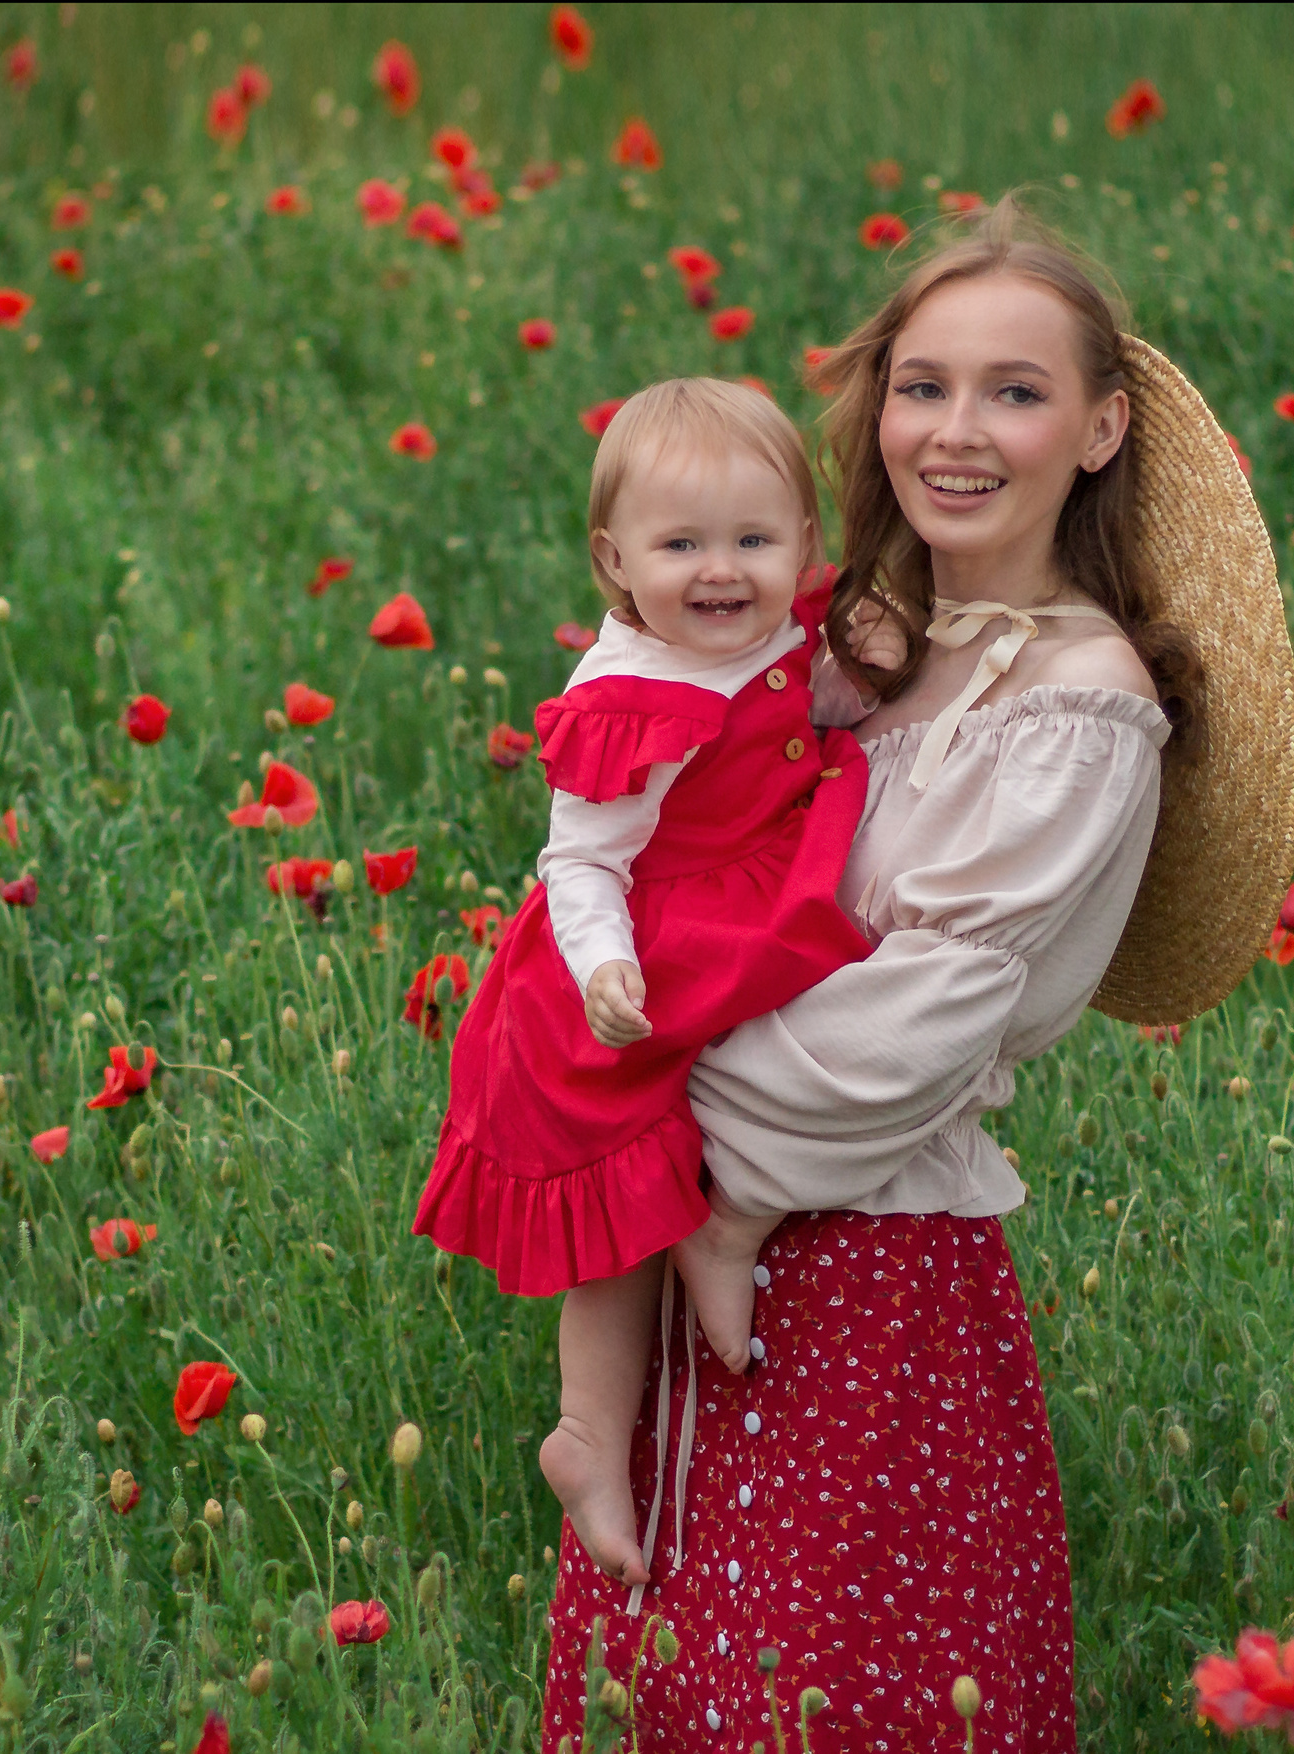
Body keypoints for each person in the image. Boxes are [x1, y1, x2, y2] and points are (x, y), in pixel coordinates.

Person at [539, 197, 1294, 1750]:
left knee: (831, 1696)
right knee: (680, 1686)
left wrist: (690, 1163)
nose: (957, 430)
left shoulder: (1081, 705)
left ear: (1097, 431)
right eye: (923, 384)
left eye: (1014, 392)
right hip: (692, 1236)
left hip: (860, 1269)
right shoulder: (864, 642)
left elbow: (932, 1009)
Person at [414, 379, 908, 1586]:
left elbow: (818, 693)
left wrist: (877, 663)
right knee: (618, 1196)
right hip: (619, 966)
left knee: (747, 1095)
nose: (721, 570)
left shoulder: (784, 626)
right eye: (681, 545)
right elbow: (578, 861)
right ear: (615, 560)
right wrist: (604, 967)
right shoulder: (625, 698)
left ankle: (721, 1244)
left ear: (802, 541)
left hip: (737, 912)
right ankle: (588, 1431)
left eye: (752, 538)